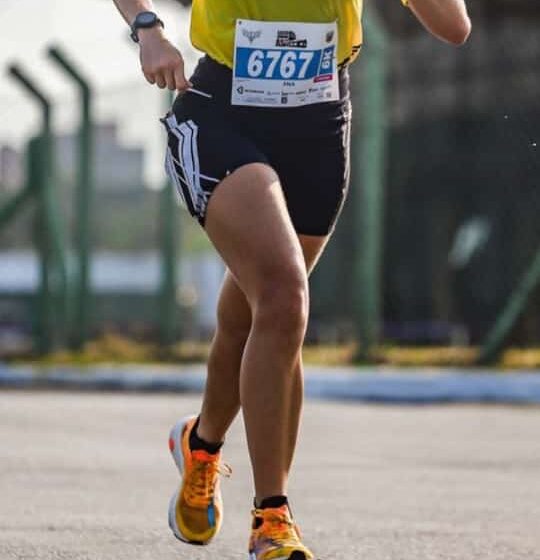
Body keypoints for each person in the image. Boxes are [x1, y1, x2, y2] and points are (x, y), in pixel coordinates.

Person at [112, 1, 471, 558]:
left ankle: (201, 444)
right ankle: (272, 517)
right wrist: (147, 29)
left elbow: (453, 28)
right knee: (283, 297)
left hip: (320, 121)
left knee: (262, 310)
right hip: (222, 110)